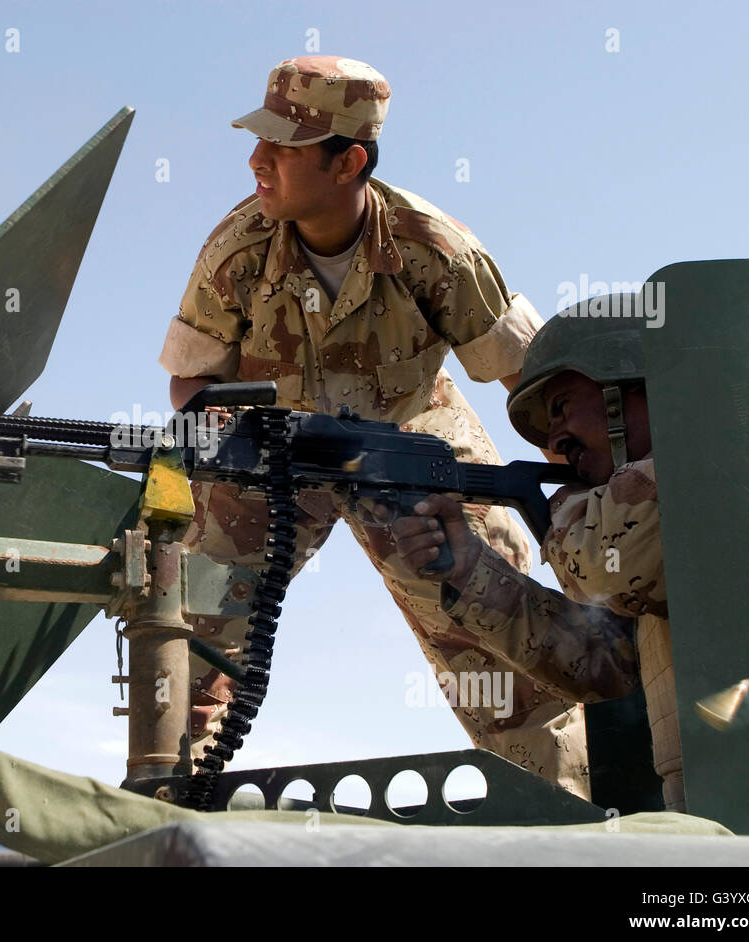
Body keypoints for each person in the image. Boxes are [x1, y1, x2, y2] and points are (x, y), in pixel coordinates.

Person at [158, 55, 593, 798]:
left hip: (409, 434)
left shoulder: (435, 249)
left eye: (284, 146)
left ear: (348, 161)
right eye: (260, 139)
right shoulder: (237, 248)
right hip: (277, 446)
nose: (256, 159)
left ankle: (575, 812)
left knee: (494, 617)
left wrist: (592, 492)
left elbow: (532, 380)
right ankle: (163, 805)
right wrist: (239, 439)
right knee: (188, 618)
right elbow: (188, 382)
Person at [389, 304, 683, 810]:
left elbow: (602, 568)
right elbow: (603, 663)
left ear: (627, 382)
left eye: (564, 405)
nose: (556, 441)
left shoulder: (707, 461)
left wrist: (561, 503)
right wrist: (468, 566)